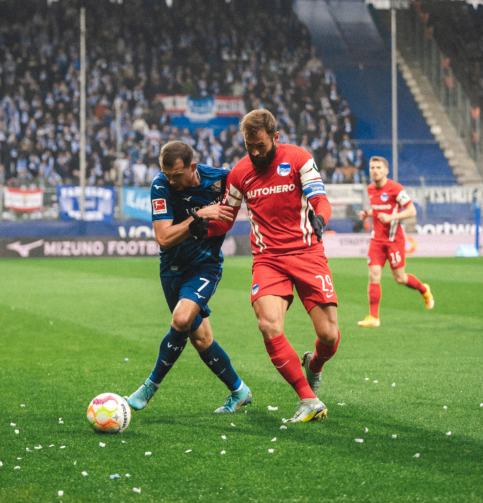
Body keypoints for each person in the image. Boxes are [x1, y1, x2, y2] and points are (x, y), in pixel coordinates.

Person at [207, 109, 339, 423]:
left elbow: (321, 199)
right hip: (268, 260)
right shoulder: (240, 173)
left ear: (275, 138)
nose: (254, 153)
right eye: (249, 147)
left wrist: (320, 219)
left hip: (308, 253)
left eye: (261, 147)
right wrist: (197, 226)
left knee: (330, 336)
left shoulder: (298, 159)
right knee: (268, 325)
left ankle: (314, 365)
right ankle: (308, 399)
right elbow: (226, 217)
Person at [126, 141, 252, 414]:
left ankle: (150, 386)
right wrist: (199, 217)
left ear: (192, 167)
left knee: (181, 319)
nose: (171, 180)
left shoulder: (221, 180)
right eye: (167, 174)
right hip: (171, 267)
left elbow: (248, 197)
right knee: (201, 339)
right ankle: (240, 391)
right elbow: (163, 237)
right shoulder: (160, 185)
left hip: (205, 266)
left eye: (176, 175)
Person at [357, 156, 434, 327]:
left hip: (394, 240)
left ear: (386, 171)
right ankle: (373, 317)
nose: (375, 170)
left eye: (378, 167)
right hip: (376, 240)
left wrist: (392, 217)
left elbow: (412, 210)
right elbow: (379, 208)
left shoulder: (395, 188)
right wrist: (368, 214)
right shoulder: (370, 189)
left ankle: (423, 289)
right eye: (372, 167)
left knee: (400, 278)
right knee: (373, 275)